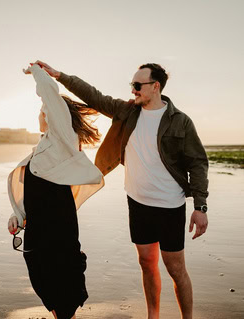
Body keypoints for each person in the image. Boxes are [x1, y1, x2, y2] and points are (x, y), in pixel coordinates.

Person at [34, 60, 209, 319]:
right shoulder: (127, 112)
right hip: (137, 203)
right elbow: (94, 96)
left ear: (155, 86)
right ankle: (153, 316)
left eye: (138, 85)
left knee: (176, 269)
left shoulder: (180, 121)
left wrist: (200, 207)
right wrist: (60, 76)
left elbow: (197, 162)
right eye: (132, 85)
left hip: (170, 205)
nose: (133, 90)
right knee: (147, 265)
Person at [7, 63, 104, 319]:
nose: (41, 115)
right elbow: (32, 188)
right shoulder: (44, 146)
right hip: (38, 225)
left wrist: (36, 71)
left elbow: (50, 94)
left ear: (52, 114)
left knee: (61, 279)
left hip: (57, 225)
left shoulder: (62, 138)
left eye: (44, 111)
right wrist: (18, 214)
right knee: (40, 275)